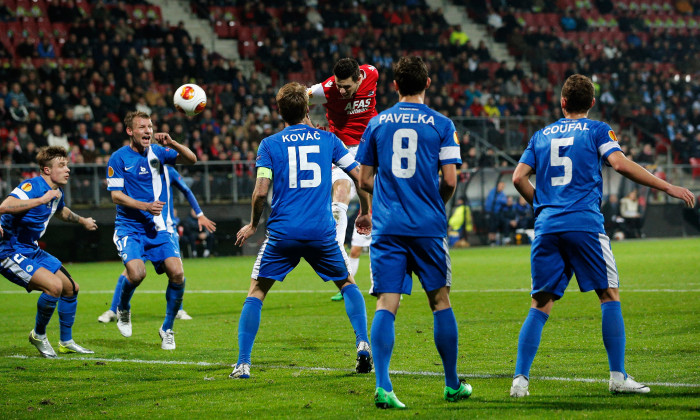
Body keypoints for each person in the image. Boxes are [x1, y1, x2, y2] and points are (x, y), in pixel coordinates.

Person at [510, 74, 696, 397]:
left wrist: (543, 206)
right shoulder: (597, 130)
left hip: (547, 227)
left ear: (562, 102)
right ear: (592, 103)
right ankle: (618, 377)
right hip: (584, 224)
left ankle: (519, 382)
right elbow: (620, 165)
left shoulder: (540, 135)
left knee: (539, 304)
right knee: (609, 295)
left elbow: (518, 177)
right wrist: (667, 186)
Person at [229, 82, 373, 380]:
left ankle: (243, 364)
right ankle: (362, 343)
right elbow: (360, 176)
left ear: (280, 112)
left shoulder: (269, 145)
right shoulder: (329, 141)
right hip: (321, 232)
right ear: (308, 109)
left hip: (283, 234)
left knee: (257, 291)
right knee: (347, 284)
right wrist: (366, 211)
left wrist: (254, 224)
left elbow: (259, 193)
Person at [356, 56, 472, 409]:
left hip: (389, 227)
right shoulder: (441, 124)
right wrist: (430, 203)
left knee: (386, 303)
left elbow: (362, 178)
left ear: (394, 85)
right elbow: (450, 180)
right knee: (440, 301)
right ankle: (452, 384)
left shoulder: (377, 123)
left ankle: (383, 386)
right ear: (428, 82)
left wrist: (391, 197)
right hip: (428, 227)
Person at [105, 111, 197, 350]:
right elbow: (116, 196)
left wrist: (173, 143)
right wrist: (145, 206)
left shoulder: (158, 152)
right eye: (142, 127)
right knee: (136, 274)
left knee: (177, 273)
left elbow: (192, 159)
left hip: (159, 228)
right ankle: (123, 308)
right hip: (130, 227)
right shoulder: (118, 158)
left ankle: (167, 328)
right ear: (130, 131)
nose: (148, 131)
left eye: (150, 126)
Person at [0, 146, 98, 357]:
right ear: (46, 170)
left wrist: (82, 221)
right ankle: (38, 335)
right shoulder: (32, 186)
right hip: (9, 249)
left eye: (67, 165)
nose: (67, 170)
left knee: (71, 287)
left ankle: (66, 341)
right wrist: (41, 200)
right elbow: (4, 206)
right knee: (54, 287)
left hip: (31, 248)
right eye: (61, 165)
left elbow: (60, 211)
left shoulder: (57, 193)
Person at [98, 165, 215, 323]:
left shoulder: (168, 170)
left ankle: (178, 310)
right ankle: (114, 310)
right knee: (131, 272)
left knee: (176, 270)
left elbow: (187, 189)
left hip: (166, 229)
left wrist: (199, 213)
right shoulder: (135, 169)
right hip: (142, 228)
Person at [307, 58, 378, 301]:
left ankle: (381, 278)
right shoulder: (324, 90)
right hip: (342, 148)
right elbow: (294, 101)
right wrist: (309, 126)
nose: (341, 90)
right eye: (339, 85)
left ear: (359, 78)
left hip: (371, 146)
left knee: (375, 201)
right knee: (340, 192)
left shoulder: (372, 73)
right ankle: (337, 256)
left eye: (346, 86)